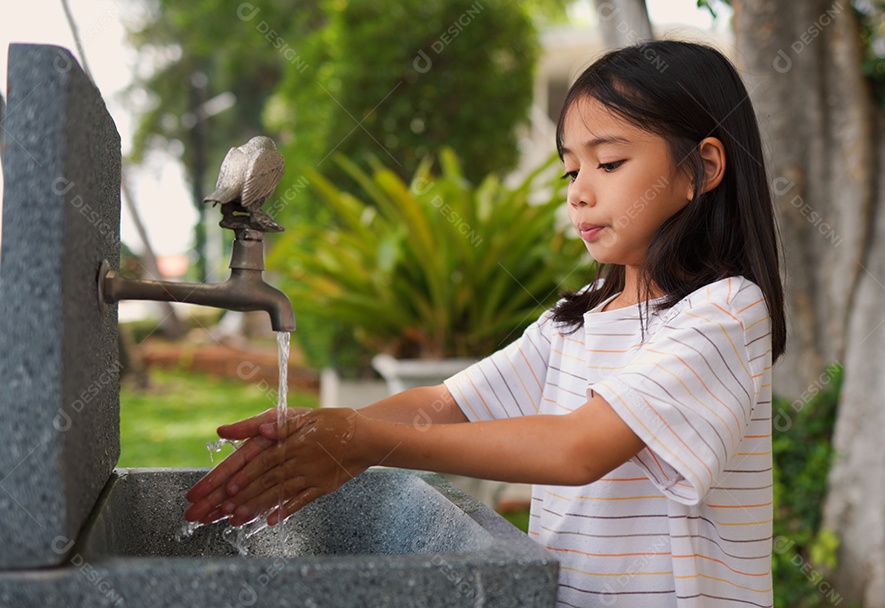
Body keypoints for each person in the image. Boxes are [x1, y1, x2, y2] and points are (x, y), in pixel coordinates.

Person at [185, 39, 786, 607]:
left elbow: (578, 448)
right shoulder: (576, 321)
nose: (579, 193)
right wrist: (319, 433)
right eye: (570, 172)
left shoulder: (724, 313)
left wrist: (363, 440)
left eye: (609, 162)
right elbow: (448, 404)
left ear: (701, 169)